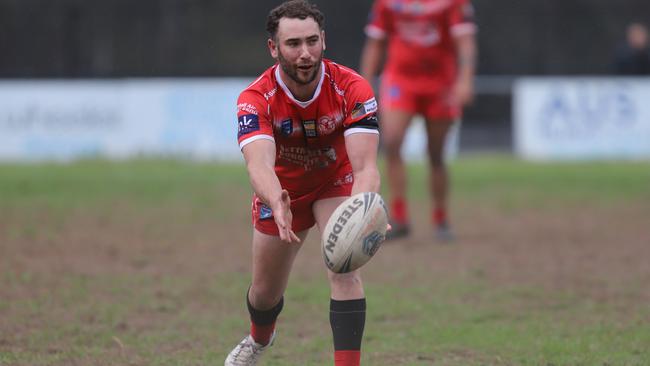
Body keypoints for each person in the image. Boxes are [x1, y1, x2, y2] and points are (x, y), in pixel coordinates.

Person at [225, 1, 382, 365]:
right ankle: (259, 339)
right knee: (264, 295)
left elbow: (365, 167)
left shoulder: (352, 88)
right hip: (282, 192)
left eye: (312, 41)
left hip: (335, 182)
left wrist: (363, 208)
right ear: (273, 48)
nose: (306, 53)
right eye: (293, 44)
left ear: (324, 40)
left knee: (344, 266)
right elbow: (259, 164)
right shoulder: (255, 98)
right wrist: (275, 200)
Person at [360, 0, 477, 241]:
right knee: (392, 142)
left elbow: (465, 42)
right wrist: (365, 83)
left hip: (441, 83)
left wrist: (465, 80)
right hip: (401, 81)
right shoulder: (387, 3)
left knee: (436, 154)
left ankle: (440, 217)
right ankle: (400, 217)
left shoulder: (453, 3)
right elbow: (375, 43)